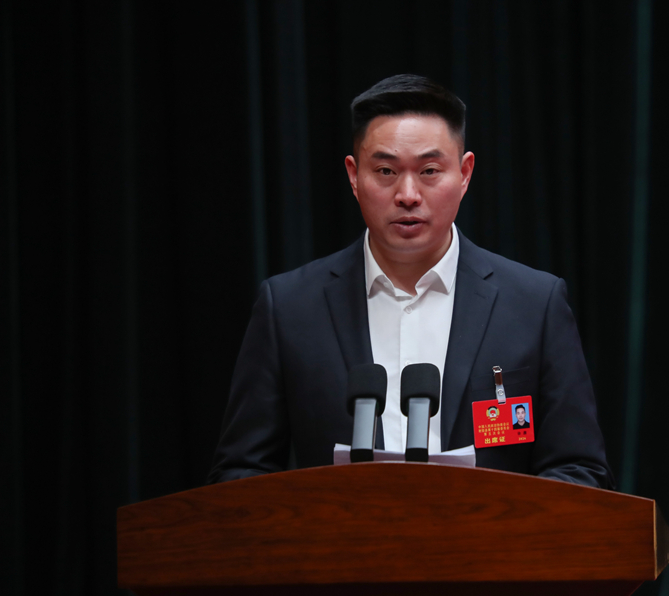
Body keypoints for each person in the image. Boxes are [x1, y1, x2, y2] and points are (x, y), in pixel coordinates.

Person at [208, 74, 613, 489]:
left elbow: (580, 470)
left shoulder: (533, 304)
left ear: (465, 173)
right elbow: (241, 472)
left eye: (429, 171)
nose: (407, 194)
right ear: (354, 175)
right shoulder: (290, 307)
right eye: (385, 170)